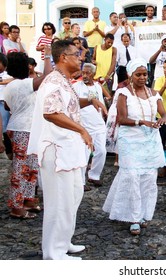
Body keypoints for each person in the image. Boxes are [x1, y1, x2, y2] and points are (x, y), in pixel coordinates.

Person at [27, 40, 101, 260]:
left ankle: (64, 241)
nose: (81, 58)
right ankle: (54, 253)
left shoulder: (65, 81)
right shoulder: (52, 82)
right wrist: (83, 130)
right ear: (63, 57)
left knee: (73, 196)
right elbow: (51, 113)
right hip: (56, 149)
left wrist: (92, 100)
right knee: (59, 202)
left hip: (68, 149)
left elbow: (71, 104)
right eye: (76, 54)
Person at [102, 58, 166, 235]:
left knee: (148, 178)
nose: (142, 77)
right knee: (131, 176)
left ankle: (143, 214)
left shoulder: (154, 93)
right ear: (131, 75)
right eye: (138, 74)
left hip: (149, 141)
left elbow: (164, 114)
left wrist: (161, 120)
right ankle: (133, 218)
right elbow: (121, 118)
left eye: (145, 74)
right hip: (130, 140)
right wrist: (142, 122)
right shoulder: (123, 93)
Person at [3, 48, 52, 219]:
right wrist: (47, 56)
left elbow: (8, 107)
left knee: (31, 166)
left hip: (25, 128)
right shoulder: (22, 83)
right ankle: (16, 205)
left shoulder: (11, 85)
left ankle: (27, 198)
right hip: (23, 129)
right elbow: (47, 77)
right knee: (21, 168)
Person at [73, 63, 108, 191]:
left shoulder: (98, 86)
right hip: (84, 124)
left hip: (98, 124)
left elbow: (101, 103)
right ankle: (81, 181)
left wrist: (104, 115)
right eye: (84, 73)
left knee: (101, 151)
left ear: (93, 74)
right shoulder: (76, 86)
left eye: (88, 73)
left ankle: (94, 175)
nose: (85, 75)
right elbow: (74, 103)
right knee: (84, 153)